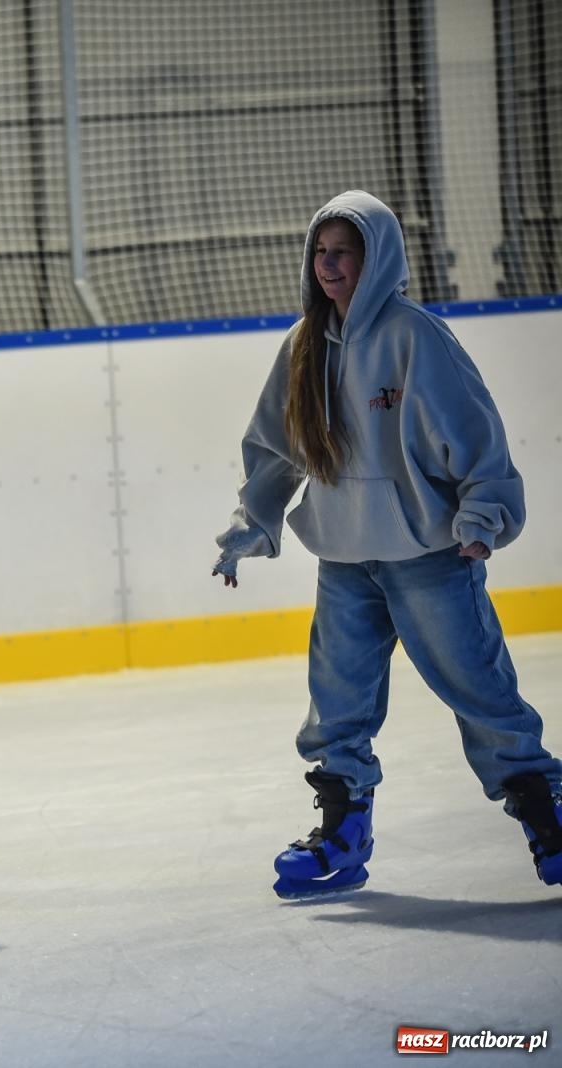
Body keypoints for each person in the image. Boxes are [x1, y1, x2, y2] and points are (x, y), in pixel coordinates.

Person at [212, 189, 562, 898]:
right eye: (320, 251)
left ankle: (546, 814)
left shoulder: (414, 335)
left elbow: (473, 431)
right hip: (344, 559)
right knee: (336, 703)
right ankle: (342, 830)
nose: (329, 265)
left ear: (377, 259)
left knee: (480, 691)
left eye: (344, 252)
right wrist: (254, 522)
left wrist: (482, 515)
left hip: (430, 557)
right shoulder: (304, 344)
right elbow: (274, 448)